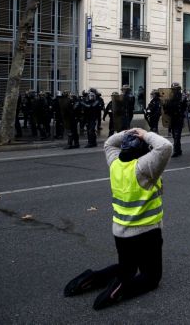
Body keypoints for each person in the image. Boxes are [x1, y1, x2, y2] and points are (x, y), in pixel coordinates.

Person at [63, 128, 172, 310]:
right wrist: (144, 134)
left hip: (120, 231)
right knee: (151, 278)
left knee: (126, 268)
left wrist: (127, 133)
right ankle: (119, 290)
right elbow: (165, 147)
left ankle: (90, 279)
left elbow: (108, 143)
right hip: (146, 231)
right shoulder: (144, 167)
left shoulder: (115, 163)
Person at [164, 82, 187, 157]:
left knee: (177, 135)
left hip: (179, 118)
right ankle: (179, 150)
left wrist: (183, 102)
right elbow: (167, 108)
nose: (174, 91)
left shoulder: (182, 97)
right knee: (175, 135)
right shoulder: (171, 97)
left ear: (178, 89)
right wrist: (165, 105)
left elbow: (184, 107)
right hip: (172, 118)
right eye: (173, 89)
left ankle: (176, 151)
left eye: (176, 89)